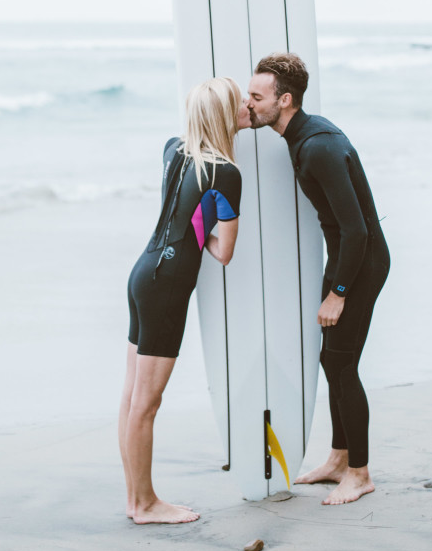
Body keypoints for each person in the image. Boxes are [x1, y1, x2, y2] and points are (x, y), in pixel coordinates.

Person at [247, 53, 390, 505]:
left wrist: (338, 292)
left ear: (284, 100)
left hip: (361, 263)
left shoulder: (318, 146)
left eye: (256, 96)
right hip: (348, 259)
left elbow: (357, 230)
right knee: (333, 363)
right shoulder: (302, 136)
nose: (248, 104)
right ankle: (337, 459)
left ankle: (360, 473)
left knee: (343, 365)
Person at [119, 77, 250, 525]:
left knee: (132, 400)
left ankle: (137, 498)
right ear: (222, 115)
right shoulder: (226, 175)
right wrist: (201, 231)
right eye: (239, 103)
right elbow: (223, 251)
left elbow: (181, 207)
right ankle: (144, 504)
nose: (245, 107)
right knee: (146, 405)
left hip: (143, 273)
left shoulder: (172, 149)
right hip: (169, 287)